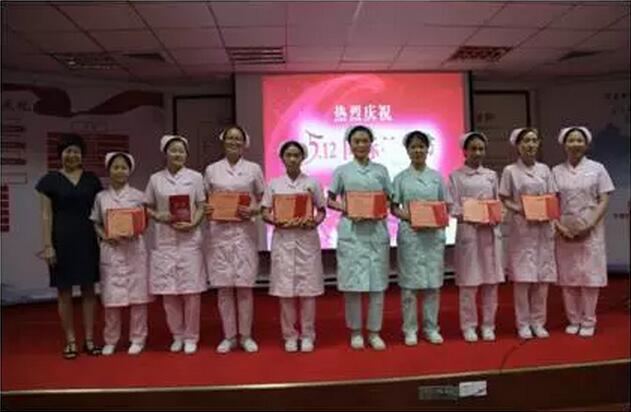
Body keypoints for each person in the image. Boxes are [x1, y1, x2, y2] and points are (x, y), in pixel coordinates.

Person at [36, 133, 102, 359]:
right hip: (61, 241)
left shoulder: (92, 180)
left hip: (87, 240)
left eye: (76, 151)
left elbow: (100, 212)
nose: (72, 155)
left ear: (82, 155)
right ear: (60, 154)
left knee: (89, 290)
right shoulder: (49, 181)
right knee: (64, 292)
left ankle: (90, 340)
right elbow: (45, 216)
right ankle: (71, 341)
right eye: (68, 151)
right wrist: (48, 246)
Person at [327, 125, 392, 351]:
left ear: (371, 144)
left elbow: (390, 199)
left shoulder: (381, 170)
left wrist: (381, 209)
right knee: (353, 286)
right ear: (350, 145)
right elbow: (329, 200)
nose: (361, 145)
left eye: (365, 141)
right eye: (357, 141)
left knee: (377, 285)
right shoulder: (342, 171)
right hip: (352, 232)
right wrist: (347, 208)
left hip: (375, 231)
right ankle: (355, 331)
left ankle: (374, 332)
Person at [204, 125, 265, 353]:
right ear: (223, 141)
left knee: (244, 287)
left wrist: (254, 210)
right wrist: (208, 209)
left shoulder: (253, 169)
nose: (233, 141)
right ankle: (229, 336)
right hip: (219, 234)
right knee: (224, 288)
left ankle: (246, 336)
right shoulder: (211, 170)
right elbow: (204, 199)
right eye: (230, 138)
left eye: (238, 138)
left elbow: (264, 199)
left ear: (244, 143)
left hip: (244, 233)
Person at [261, 141, 326, 353]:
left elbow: (321, 210)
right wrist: (276, 220)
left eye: (296, 155)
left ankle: (308, 335)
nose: (292, 159)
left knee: (308, 292)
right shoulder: (274, 184)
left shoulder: (312, 183)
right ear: (282, 158)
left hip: (306, 239)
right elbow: (264, 212)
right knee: (285, 291)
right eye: (288, 155)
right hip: (283, 239)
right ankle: (289, 335)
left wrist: (313, 222)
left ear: (302, 158)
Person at [144, 135, 207, 355]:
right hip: (165, 240)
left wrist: (194, 223)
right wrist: (158, 216)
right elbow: (147, 207)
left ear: (186, 154)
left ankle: (191, 336)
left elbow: (201, 205)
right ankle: (177, 335)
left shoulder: (196, 177)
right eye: (173, 150)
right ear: (166, 153)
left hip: (189, 239)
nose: (178, 154)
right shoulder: (155, 179)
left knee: (191, 292)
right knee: (169, 291)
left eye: (181, 151)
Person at [552, 127, 614, 337]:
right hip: (565, 229)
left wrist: (589, 224)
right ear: (564, 144)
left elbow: (604, 199)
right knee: (568, 278)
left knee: (589, 277)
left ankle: (588, 320)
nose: (575, 144)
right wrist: (560, 227)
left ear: (586, 144)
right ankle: (574, 319)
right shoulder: (556, 171)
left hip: (591, 229)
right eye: (571, 140)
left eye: (580, 140)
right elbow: (552, 202)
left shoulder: (598, 168)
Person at [91, 152, 152, 355]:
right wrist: (105, 236)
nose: (120, 171)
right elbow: (96, 223)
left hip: (134, 249)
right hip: (111, 249)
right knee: (111, 299)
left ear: (129, 171)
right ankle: (111, 339)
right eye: (115, 167)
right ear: (109, 170)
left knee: (138, 298)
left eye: (123, 167)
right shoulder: (101, 197)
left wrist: (136, 229)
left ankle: (138, 338)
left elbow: (145, 222)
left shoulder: (139, 196)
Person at [499, 128, 557, 340]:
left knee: (542, 279)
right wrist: (521, 209)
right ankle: (523, 324)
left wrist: (546, 210)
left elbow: (551, 196)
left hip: (543, 227)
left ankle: (538, 322)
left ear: (538, 144)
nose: (530, 145)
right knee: (522, 280)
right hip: (521, 227)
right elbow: (504, 197)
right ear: (518, 145)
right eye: (526, 141)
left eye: (533, 141)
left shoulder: (545, 169)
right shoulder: (510, 171)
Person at [447, 132, 505, 342]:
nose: (478, 152)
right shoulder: (455, 176)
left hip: (489, 233)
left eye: (481, 149)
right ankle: (469, 326)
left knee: (490, 282)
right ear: (464, 151)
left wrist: (495, 214)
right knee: (468, 284)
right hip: (469, 232)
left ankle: (488, 325)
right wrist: (472, 213)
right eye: (473, 148)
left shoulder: (491, 175)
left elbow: (498, 203)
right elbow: (452, 207)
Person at [391, 131, 446, 346]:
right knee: (409, 285)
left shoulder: (437, 177)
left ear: (427, 149)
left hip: (432, 235)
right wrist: (411, 216)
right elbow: (394, 208)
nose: (418, 150)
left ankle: (431, 328)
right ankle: (410, 329)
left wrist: (435, 218)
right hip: (411, 234)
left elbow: (444, 205)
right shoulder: (401, 178)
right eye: (413, 147)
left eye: (421, 146)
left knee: (433, 284)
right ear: (407, 150)